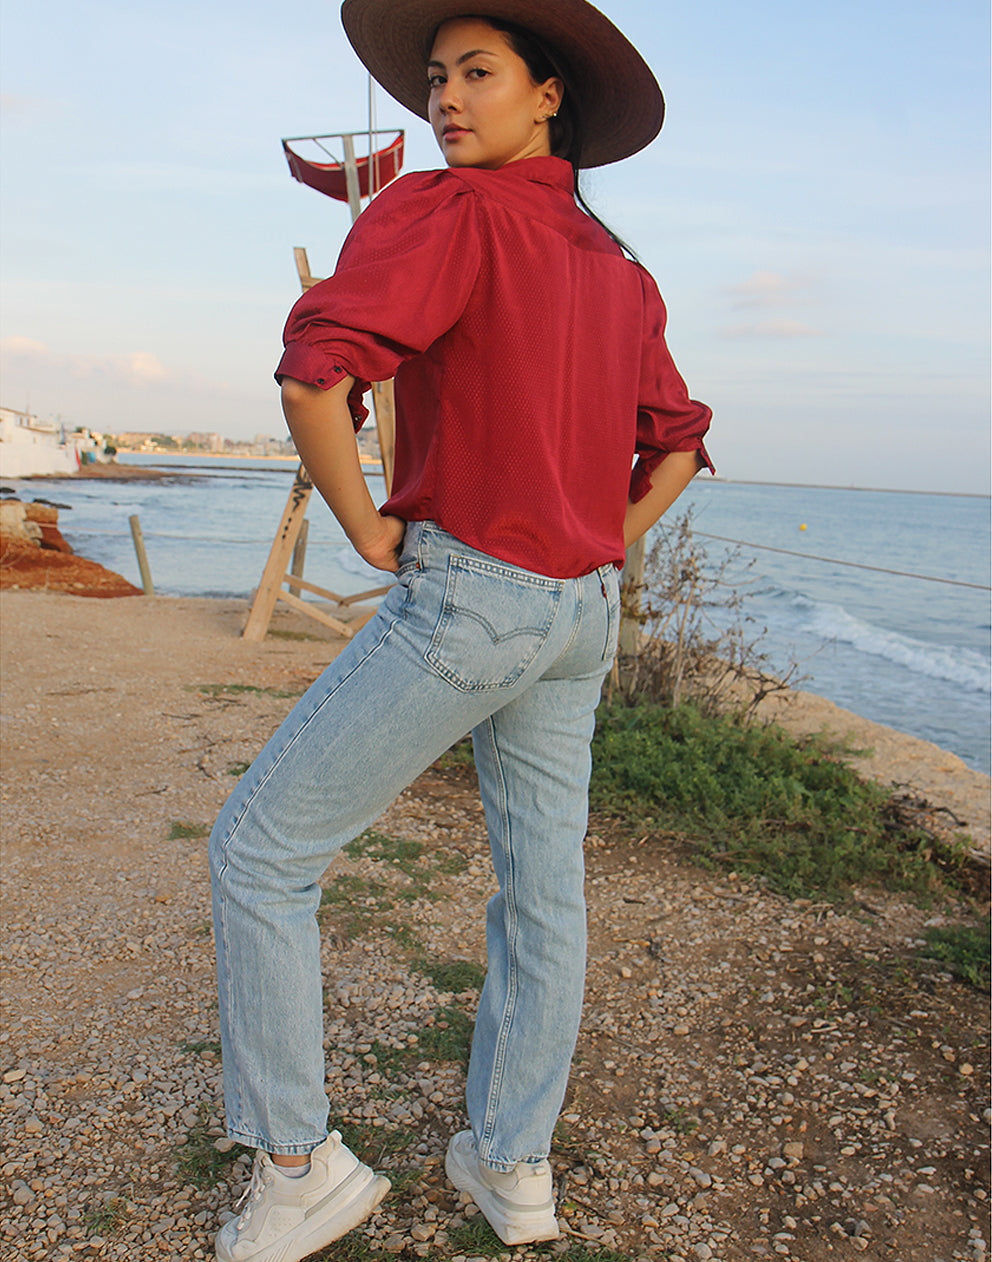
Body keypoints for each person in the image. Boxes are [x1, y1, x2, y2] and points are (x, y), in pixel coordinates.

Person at [209, 1, 713, 1258]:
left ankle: (296, 1166)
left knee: (260, 852)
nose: (444, 96)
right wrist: (594, 535)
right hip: (577, 615)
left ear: (548, 94)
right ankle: (514, 1165)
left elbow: (314, 373)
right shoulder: (619, 267)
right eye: (435, 76)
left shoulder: (444, 210)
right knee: (544, 895)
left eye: (476, 72)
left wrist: (369, 529)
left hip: (474, 596)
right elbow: (680, 444)